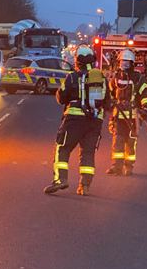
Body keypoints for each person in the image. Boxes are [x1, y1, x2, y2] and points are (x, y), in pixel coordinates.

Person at [44, 45, 110, 196]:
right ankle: (85, 186)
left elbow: (61, 98)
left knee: (62, 147)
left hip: (74, 120)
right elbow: (107, 102)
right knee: (88, 152)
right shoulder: (103, 80)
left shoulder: (73, 77)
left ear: (77, 61)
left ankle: (60, 179)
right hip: (95, 122)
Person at [106, 49, 147, 176]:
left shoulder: (138, 78)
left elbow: (145, 95)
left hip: (133, 117)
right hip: (118, 116)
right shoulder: (116, 78)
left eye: (126, 62)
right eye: (122, 62)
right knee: (117, 142)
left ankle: (129, 167)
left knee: (130, 143)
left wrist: (145, 108)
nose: (124, 65)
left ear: (132, 63)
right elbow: (110, 93)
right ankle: (117, 167)